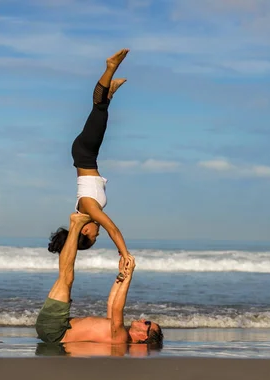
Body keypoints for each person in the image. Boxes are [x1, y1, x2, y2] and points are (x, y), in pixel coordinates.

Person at [48, 48, 132, 262]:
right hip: (86, 156)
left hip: (84, 154)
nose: (98, 234)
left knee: (98, 108)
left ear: (85, 231)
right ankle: (109, 92)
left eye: (94, 238)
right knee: (100, 115)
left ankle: (110, 67)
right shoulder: (83, 213)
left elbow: (113, 229)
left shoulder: (90, 210)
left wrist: (124, 255)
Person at [36, 212, 163, 347]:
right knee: (65, 277)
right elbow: (111, 303)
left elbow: (116, 309)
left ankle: (76, 225)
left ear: (144, 336)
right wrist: (122, 274)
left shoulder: (120, 337)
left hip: (55, 330)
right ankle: (75, 226)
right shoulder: (116, 330)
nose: (143, 319)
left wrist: (129, 276)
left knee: (66, 278)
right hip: (54, 328)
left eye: (147, 324)